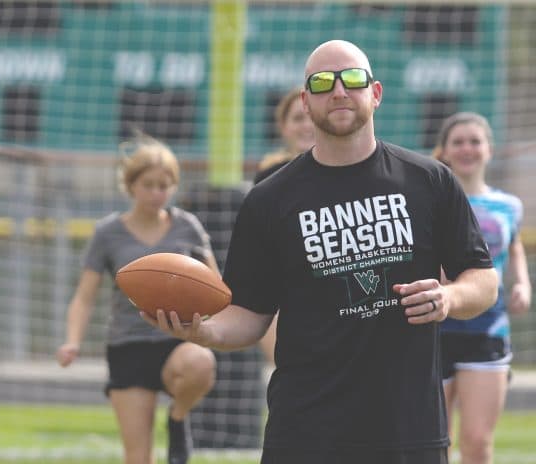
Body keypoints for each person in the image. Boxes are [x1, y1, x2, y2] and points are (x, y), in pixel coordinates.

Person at [142, 39, 499, 464]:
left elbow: (483, 279)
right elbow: (248, 314)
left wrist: (449, 297)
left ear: (376, 93)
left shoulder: (429, 181)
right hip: (305, 431)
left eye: (352, 79)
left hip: (410, 429)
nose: (339, 91)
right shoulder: (270, 200)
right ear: (306, 102)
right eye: (322, 82)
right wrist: (203, 332)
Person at [56, 136, 217, 464]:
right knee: (138, 457)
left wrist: (212, 320)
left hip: (177, 339)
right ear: (130, 186)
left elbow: (216, 285)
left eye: (165, 185)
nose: (157, 193)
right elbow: (85, 297)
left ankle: (178, 417)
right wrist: (72, 341)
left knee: (201, 363)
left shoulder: (187, 226)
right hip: (128, 346)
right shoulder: (108, 232)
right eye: (149, 185)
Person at [432, 112, 531, 464]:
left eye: (475, 141)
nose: (467, 149)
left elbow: (514, 246)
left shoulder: (508, 205)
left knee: (476, 442)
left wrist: (522, 282)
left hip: (487, 330)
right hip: (434, 331)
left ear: (489, 149)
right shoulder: (430, 199)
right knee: (434, 442)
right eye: (458, 141)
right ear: (444, 150)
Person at [254, 87, 316, 364]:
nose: (306, 125)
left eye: (310, 117)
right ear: (283, 127)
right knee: (292, 371)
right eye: (297, 118)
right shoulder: (268, 179)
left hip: (330, 290)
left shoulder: (351, 172)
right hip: (282, 293)